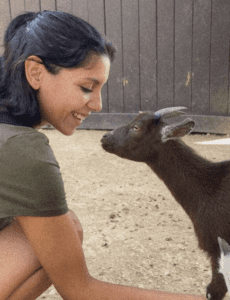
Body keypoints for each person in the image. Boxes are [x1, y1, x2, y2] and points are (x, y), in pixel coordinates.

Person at [0, 10, 206, 300]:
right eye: (86, 87)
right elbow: (81, 291)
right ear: (35, 72)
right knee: (63, 231)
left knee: (55, 229)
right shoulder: (22, 149)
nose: (97, 105)